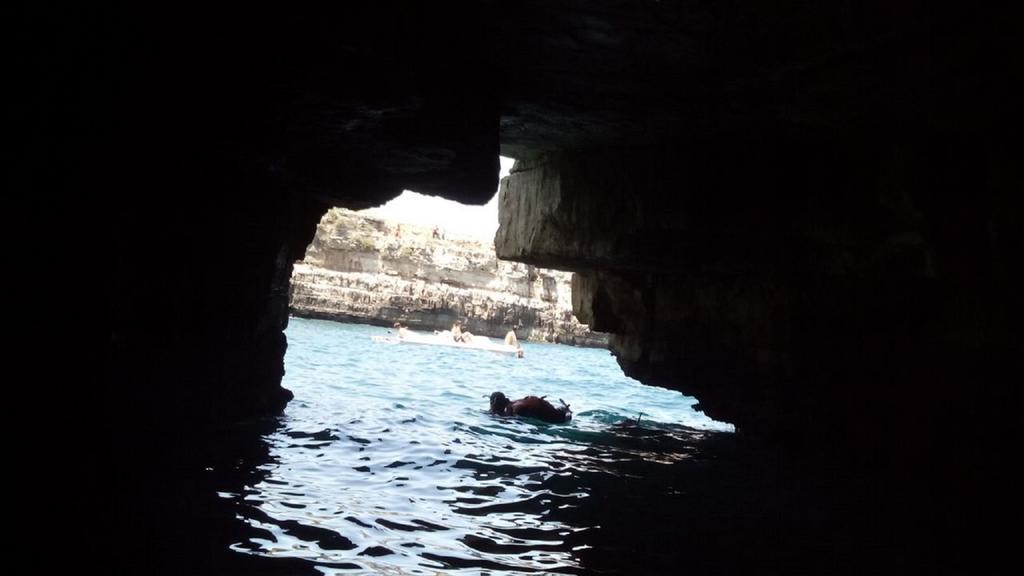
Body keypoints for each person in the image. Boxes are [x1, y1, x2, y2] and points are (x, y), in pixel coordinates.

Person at [489, 392, 571, 423]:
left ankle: (567, 411)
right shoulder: (513, 404)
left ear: (495, 402)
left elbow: (507, 418)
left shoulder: (515, 410)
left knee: (565, 416)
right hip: (549, 409)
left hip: (561, 419)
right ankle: (565, 410)